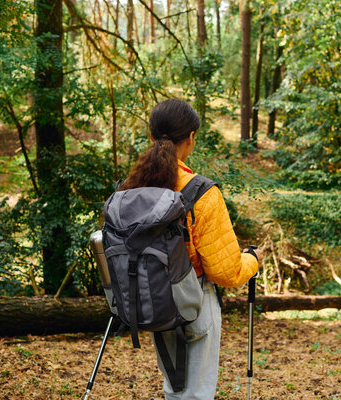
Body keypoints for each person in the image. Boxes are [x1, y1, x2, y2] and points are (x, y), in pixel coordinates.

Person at [120, 98, 263, 399]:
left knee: (174, 390)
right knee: (196, 394)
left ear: (151, 136)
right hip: (194, 301)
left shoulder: (131, 188)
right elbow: (225, 271)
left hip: (153, 299)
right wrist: (252, 261)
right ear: (191, 138)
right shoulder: (201, 193)